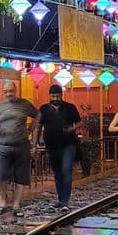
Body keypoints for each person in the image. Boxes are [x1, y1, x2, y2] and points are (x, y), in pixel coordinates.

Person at [0, 81, 40, 217]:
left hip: (21, 144)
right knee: (0, 175)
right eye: (6, 91)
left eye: (11, 91)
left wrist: (31, 128)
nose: (8, 94)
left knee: (21, 175)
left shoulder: (24, 104)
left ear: (15, 90)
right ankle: (2, 202)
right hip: (2, 145)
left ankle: (16, 205)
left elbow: (38, 114)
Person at [38, 84, 82, 212]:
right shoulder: (44, 109)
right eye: (53, 96)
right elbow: (39, 126)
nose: (55, 98)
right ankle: (60, 199)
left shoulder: (70, 107)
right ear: (49, 96)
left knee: (66, 170)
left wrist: (72, 128)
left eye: (57, 96)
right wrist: (35, 143)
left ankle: (65, 201)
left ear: (61, 95)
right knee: (57, 172)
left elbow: (80, 122)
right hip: (52, 146)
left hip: (68, 144)